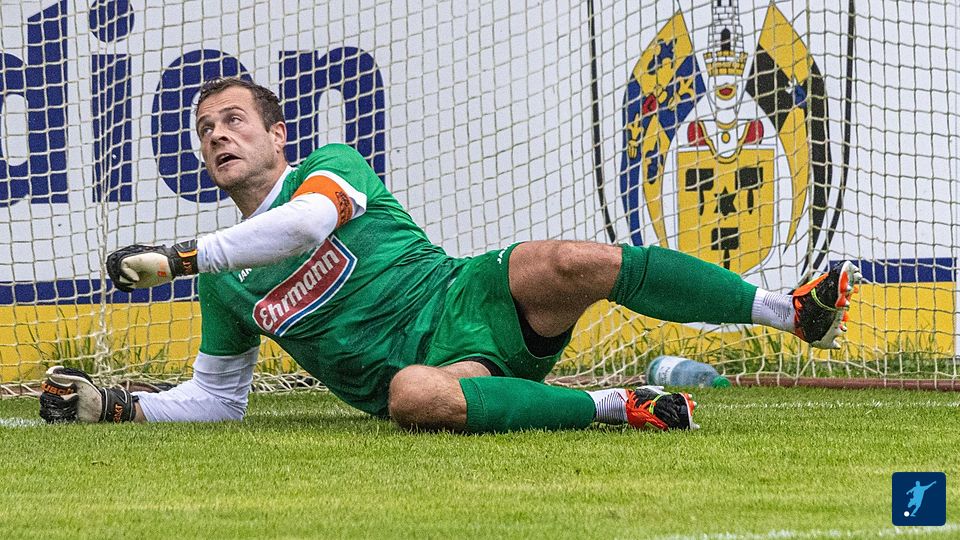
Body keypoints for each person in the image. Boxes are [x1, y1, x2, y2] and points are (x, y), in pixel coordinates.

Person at [38, 77, 861, 432]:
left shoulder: (329, 168)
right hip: (441, 370)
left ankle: (792, 312)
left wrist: (182, 257)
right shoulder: (224, 284)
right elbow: (219, 401)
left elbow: (304, 227)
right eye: (205, 130)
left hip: (466, 296)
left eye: (233, 120)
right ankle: (621, 407)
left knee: (568, 258)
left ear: (277, 134)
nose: (218, 135)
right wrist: (119, 406)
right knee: (412, 397)